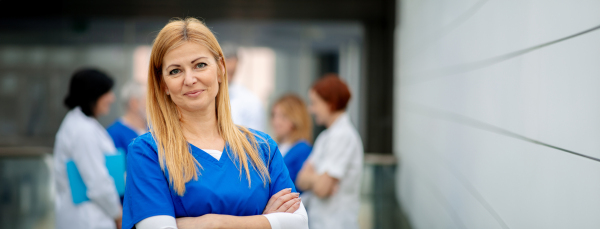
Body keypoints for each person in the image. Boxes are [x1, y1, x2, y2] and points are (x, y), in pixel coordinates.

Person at [121, 18, 308, 229]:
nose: (190, 79)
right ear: (163, 84)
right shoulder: (148, 152)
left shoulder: (261, 147)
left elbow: (299, 222)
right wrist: (265, 222)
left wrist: (213, 223)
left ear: (220, 69)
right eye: (175, 71)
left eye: (200, 65)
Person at [53, 69, 123, 229]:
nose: (112, 98)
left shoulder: (80, 124)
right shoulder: (82, 130)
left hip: (90, 215)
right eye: (107, 92)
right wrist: (118, 215)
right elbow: (97, 182)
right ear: (93, 94)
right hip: (88, 218)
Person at [296, 74, 364, 229]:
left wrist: (313, 179)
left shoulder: (343, 136)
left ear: (330, 104)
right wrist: (318, 179)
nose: (311, 109)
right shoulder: (325, 136)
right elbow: (301, 179)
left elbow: (322, 189)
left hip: (337, 223)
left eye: (315, 103)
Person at [271, 94, 313, 191]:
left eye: (283, 116)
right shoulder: (275, 146)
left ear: (296, 119)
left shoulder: (303, 149)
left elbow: (302, 187)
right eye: (274, 115)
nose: (276, 121)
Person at [222, 43, 266, 131]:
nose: (228, 77)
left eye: (231, 73)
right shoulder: (202, 96)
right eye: (226, 72)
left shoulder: (250, 100)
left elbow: (256, 139)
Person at [107, 81, 147, 155]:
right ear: (134, 103)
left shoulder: (153, 130)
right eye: (148, 100)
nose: (154, 105)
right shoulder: (114, 134)